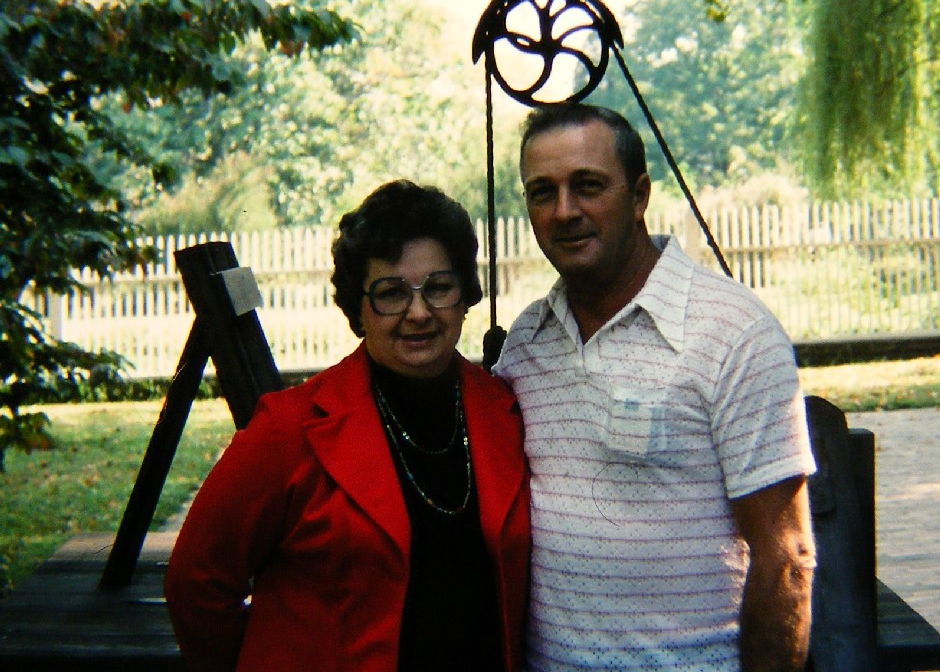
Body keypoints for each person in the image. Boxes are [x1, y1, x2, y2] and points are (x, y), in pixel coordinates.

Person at [492, 103, 817, 670]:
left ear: (639, 195)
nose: (564, 211)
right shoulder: (527, 342)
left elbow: (786, 558)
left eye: (588, 186)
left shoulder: (732, 332)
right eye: (542, 192)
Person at [164, 179, 530, 671]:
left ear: (465, 295)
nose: (418, 312)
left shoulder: (505, 410)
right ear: (357, 307)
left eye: (439, 288)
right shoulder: (288, 430)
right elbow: (196, 582)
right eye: (390, 293)